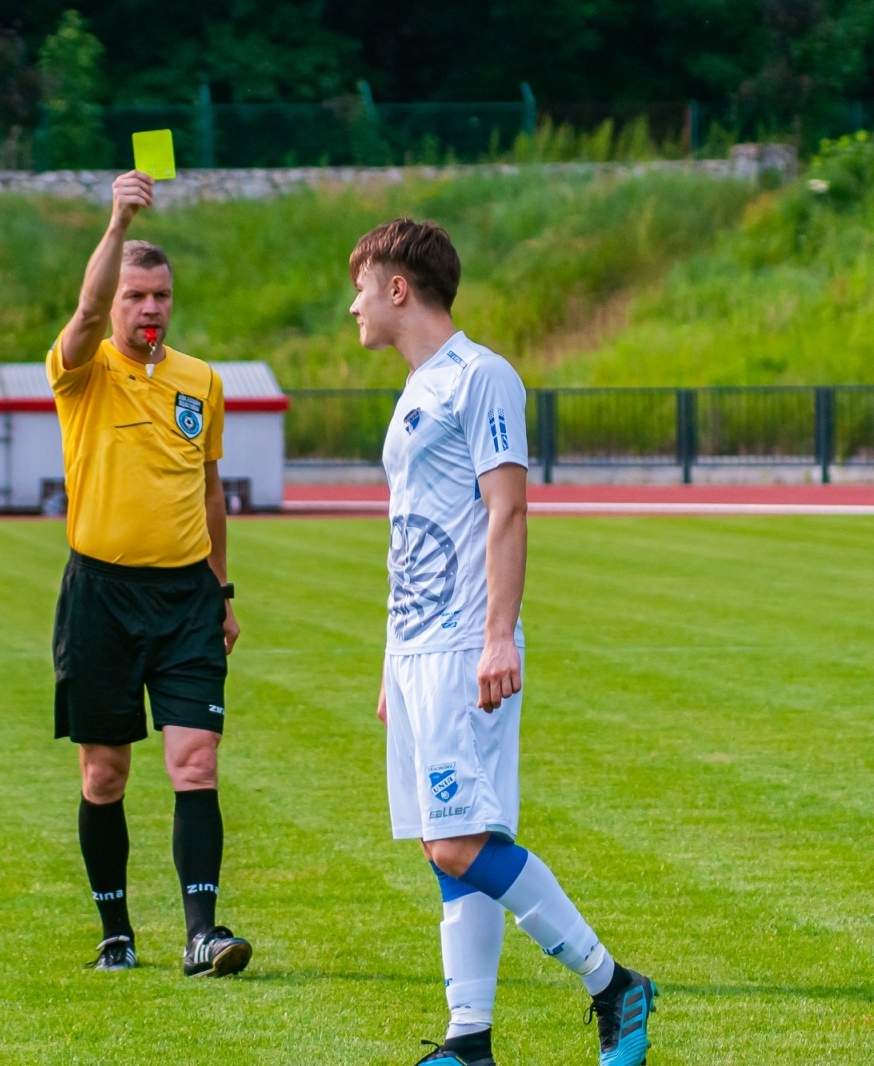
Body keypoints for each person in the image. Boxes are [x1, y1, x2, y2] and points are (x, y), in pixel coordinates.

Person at [349, 218, 657, 1066]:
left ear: (399, 287)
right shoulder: (415, 391)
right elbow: (411, 533)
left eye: (363, 288)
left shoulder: (483, 379)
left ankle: (612, 983)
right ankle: (469, 1039)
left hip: (461, 644)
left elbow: (507, 509)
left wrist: (496, 639)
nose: (354, 307)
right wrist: (390, 661)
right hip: (416, 650)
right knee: (447, 844)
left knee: (459, 839)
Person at [47, 169, 251, 977]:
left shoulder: (201, 381)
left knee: (196, 760)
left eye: (160, 295)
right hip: (99, 594)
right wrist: (116, 221)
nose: (149, 309)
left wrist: (223, 590)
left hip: (187, 599)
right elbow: (86, 311)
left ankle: (203, 934)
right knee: (105, 772)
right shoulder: (81, 368)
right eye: (137, 295)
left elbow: (209, 490)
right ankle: (116, 933)